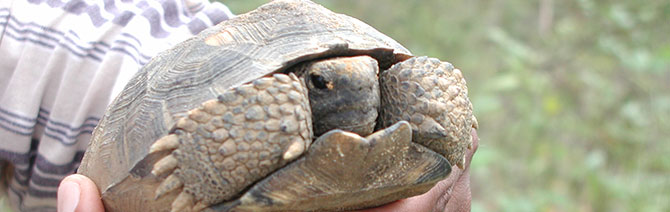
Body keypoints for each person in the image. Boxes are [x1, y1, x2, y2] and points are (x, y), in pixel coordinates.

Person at [0, 0, 477, 211]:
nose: (355, 91)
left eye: (368, 79)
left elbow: (80, 46)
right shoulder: (278, 107)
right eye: (321, 83)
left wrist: (450, 130)